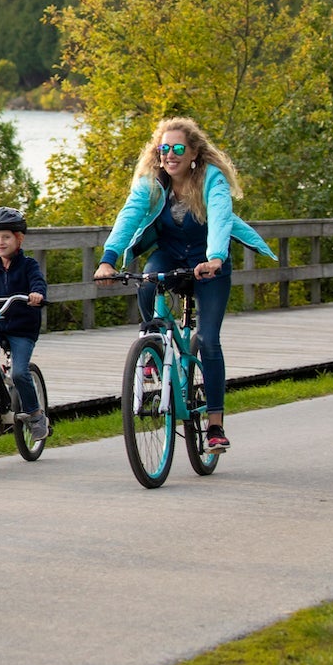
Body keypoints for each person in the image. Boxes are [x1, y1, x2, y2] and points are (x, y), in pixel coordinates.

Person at [93, 118, 273, 453]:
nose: (170, 154)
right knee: (147, 283)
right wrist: (108, 259)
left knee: (208, 339)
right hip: (170, 255)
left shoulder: (211, 179)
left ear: (193, 153)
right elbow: (129, 215)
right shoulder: (152, 183)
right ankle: (152, 344)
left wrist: (216, 257)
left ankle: (215, 425)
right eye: (164, 148)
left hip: (209, 263)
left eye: (178, 148)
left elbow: (220, 217)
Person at [0, 206, 50, 440]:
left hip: (22, 329)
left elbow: (38, 282)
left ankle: (36, 415)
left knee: (20, 373)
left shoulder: (28, 265)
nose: (0, 242)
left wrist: (37, 295)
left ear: (18, 239)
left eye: (6, 237)